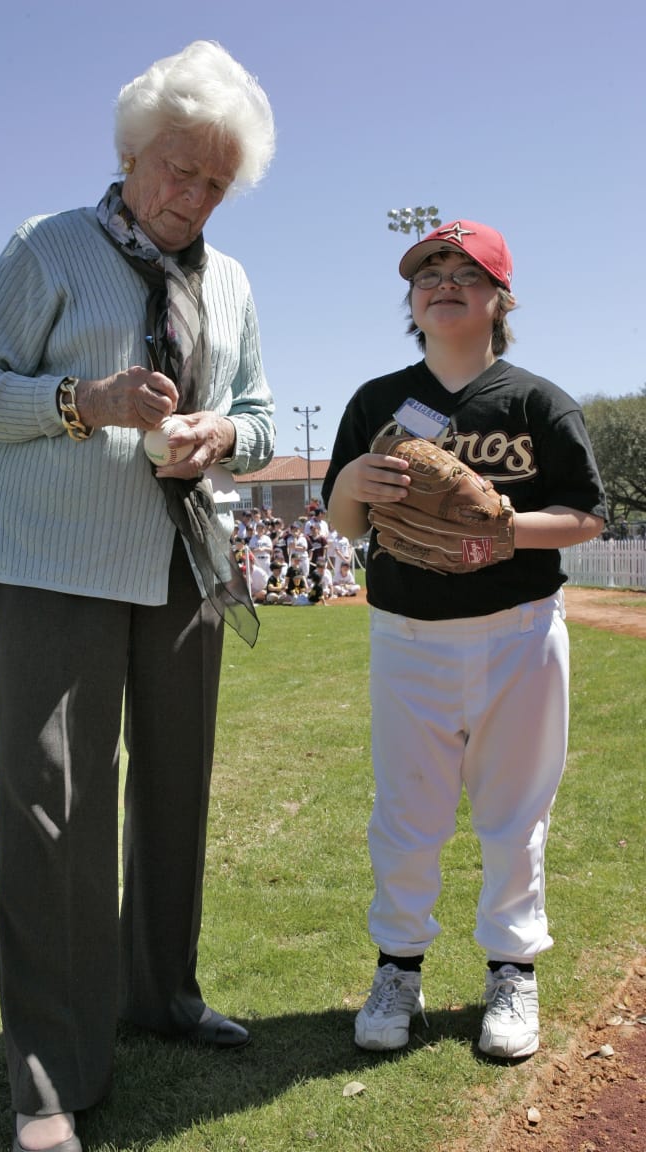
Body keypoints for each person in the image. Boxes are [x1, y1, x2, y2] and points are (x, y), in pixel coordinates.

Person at [0, 40, 275, 1152]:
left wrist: (222, 433)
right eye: (179, 169)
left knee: (173, 795)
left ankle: (161, 995)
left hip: (185, 565)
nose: (193, 196)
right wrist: (87, 404)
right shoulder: (48, 247)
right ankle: (48, 1076)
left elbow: (263, 415)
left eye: (217, 182)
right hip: (56, 560)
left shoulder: (230, 282)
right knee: (55, 815)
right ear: (130, 153)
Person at [323, 220, 606, 1062]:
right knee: (406, 811)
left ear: (499, 297)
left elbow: (588, 516)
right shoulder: (378, 401)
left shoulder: (536, 401)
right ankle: (398, 969)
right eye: (428, 271)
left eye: (466, 271)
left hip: (519, 629)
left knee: (514, 813)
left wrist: (505, 531)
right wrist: (347, 483)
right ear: (412, 299)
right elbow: (348, 525)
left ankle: (511, 971)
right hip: (407, 629)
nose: (444, 281)